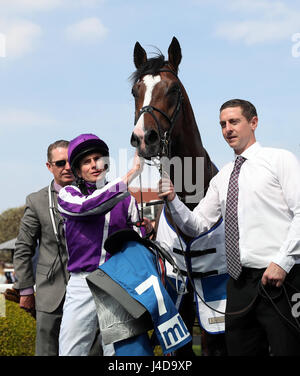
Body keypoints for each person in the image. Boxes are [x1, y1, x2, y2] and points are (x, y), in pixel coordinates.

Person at [158, 99, 300, 356]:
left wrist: (282, 261)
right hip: (237, 283)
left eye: (234, 122)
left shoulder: (280, 159)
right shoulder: (222, 176)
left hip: (279, 278)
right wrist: (173, 200)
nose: (227, 129)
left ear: (253, 123)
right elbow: (197, 225)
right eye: (223, 124)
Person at [57, 133, 152, 356]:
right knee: (71, 351)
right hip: (82, 284)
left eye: (98, 159)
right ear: (78, 170)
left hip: (116, 284)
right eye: (87, 161)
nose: (94, 165)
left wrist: (146, 229)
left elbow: (137, 240)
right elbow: (87, 207)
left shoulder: (127, 198)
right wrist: (130, 175)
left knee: (118, 353)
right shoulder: (68, 194)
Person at [13, 140, 74, 356]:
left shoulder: (95, 196)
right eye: (60, 163)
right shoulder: (37, 201)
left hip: (89, 293)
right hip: (51, 295)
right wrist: (26, 290)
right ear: (49, 167)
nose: (67, 166)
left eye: (71, 160)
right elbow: (23, 248)